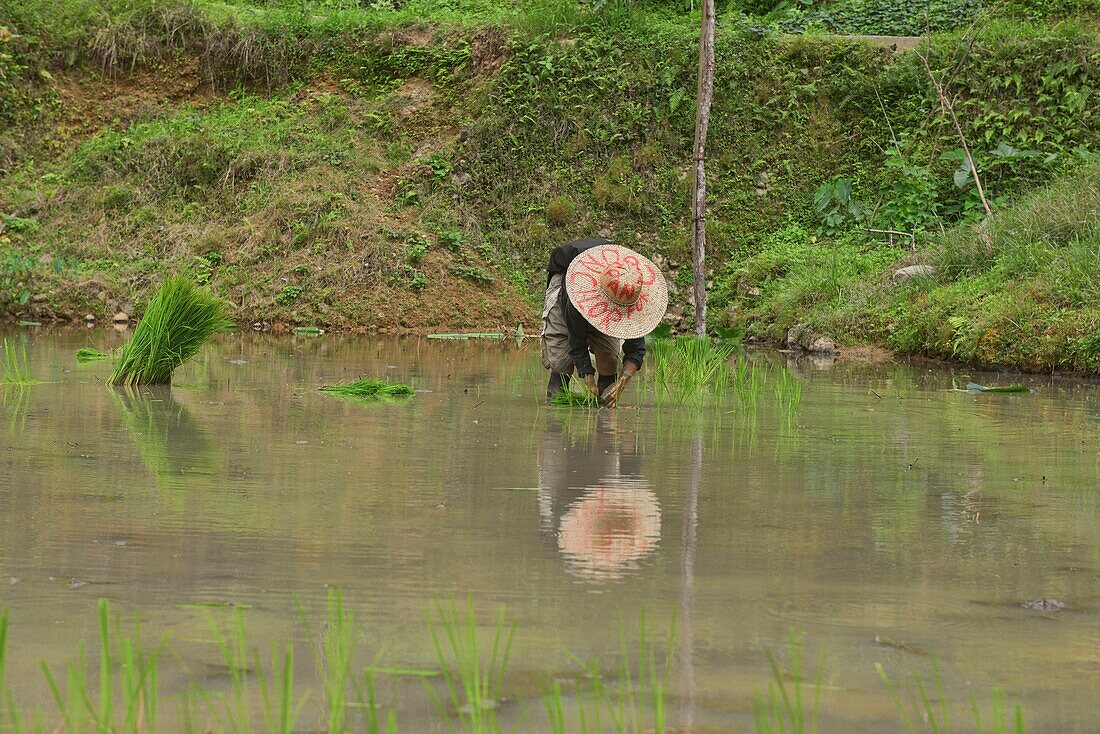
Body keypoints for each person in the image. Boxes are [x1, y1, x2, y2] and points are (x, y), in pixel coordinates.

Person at [541, 238, 669, 406]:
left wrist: (620, 384)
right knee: (561, 364)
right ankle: (554, 416)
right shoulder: (577, 291)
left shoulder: (630, 290)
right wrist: (588, 377)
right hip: (566, 287)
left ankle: (605, 413)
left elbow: (636, 350)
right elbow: (575, 339)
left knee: (608, 359)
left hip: (615, 288)